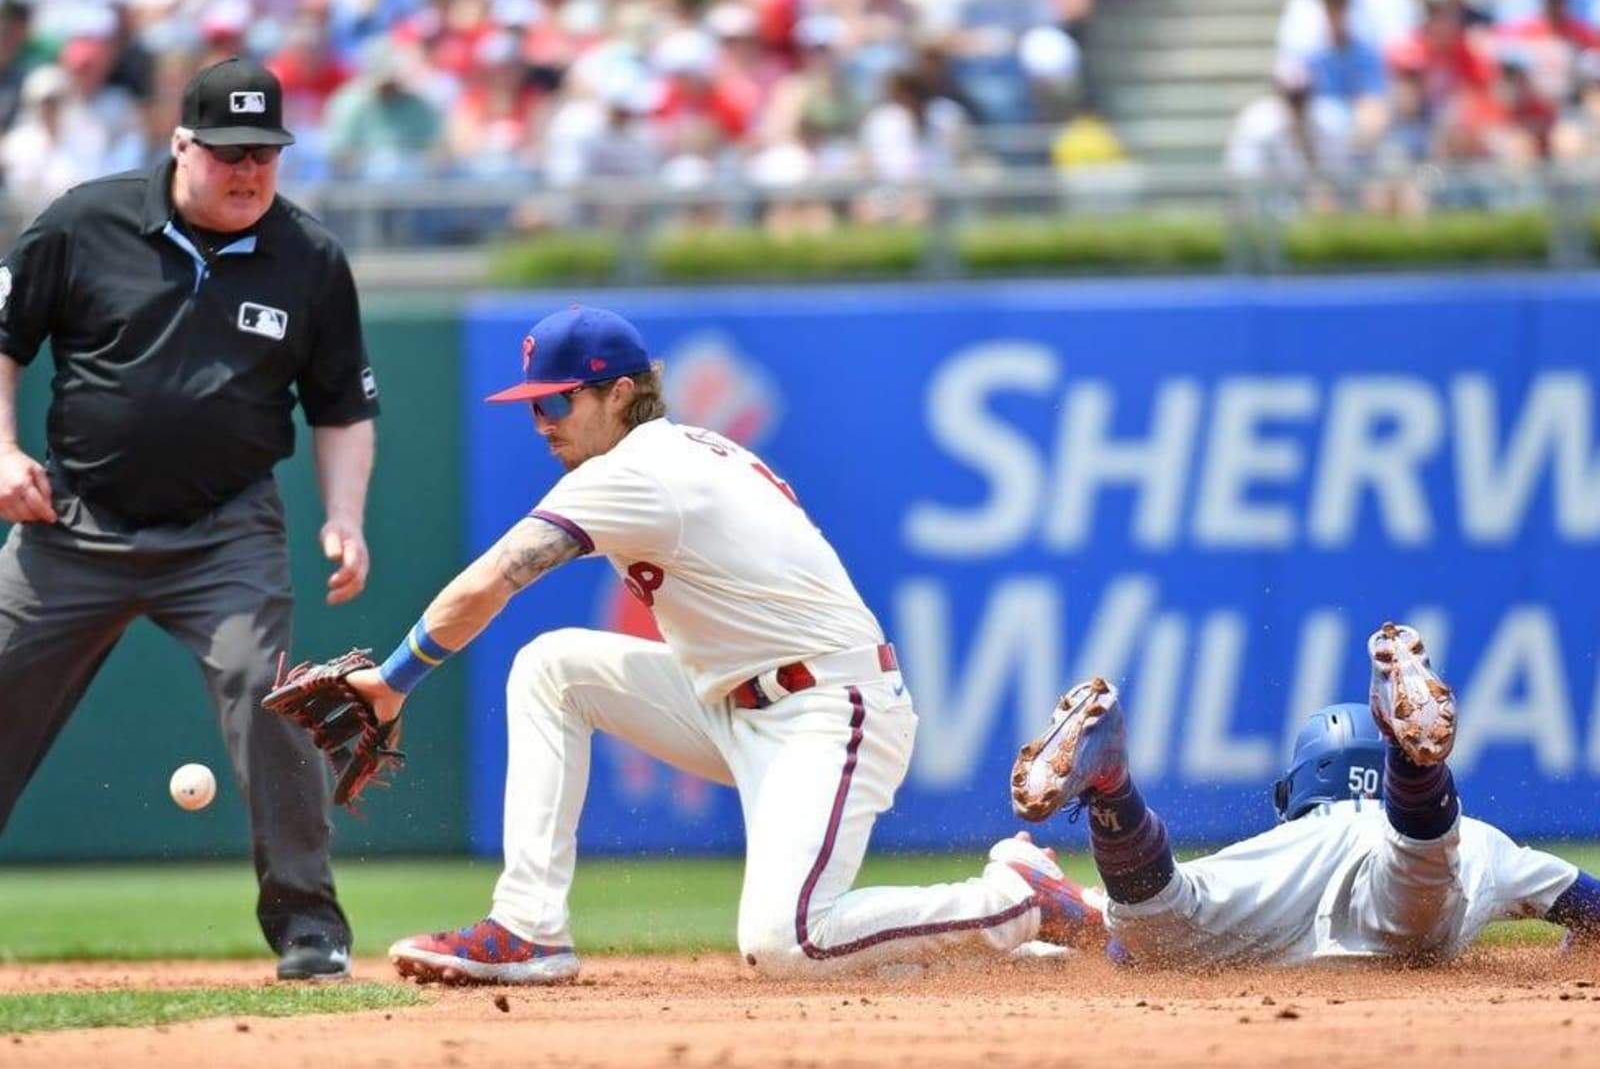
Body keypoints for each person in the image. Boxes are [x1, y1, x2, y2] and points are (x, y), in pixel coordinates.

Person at [336, 303, 1101, 985]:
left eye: (560, 402)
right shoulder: (678, 449)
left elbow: (487, 585)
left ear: (622, 394)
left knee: (787, 944)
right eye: (534, 407)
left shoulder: (637, 471)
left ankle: (1015, 899)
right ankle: (530, 927)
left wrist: (393, 681)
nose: (544, 424)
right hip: (735, 703)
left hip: (829, 710)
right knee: (553, 667)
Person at [0, 58, 381, 980]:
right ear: (181, 145)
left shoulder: (311, 259)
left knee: (272, 698)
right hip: (74, 524)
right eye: (227, 152)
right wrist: (3, 453)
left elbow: (341, 408)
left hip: (225, 532)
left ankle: (309, 927)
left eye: (264, 153)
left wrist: (345, 515)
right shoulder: (85, 222)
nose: (248, 171)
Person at [1011, 622, 1600, 966]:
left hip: (1290, 883)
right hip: (1421, 874)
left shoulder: (1280, 844)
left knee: (1160, 920)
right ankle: (1415, 773)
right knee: (1420, 874)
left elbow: (1128, 948)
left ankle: (1113, 787)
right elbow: (1588, 902)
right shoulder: (1484, 841)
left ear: (1294, 788)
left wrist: (1099, 928)